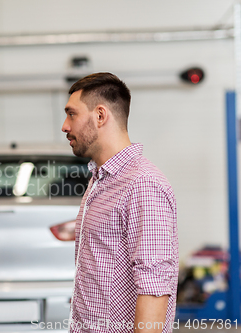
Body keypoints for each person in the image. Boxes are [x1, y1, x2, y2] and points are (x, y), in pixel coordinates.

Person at [62, 73, 178, 333]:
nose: (65, 126)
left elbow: (154, 287)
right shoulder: (100, 179)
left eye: (72, 114)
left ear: (100, 116)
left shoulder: (142, 184)